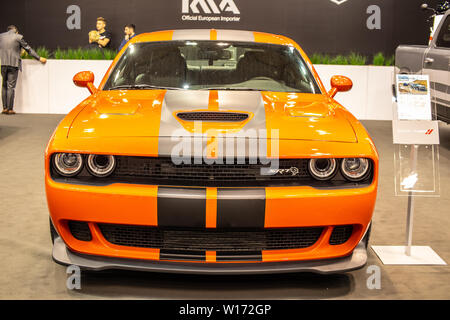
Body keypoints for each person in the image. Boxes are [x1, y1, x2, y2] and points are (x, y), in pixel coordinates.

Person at [0, 25, 46, 115]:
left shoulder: (1, 36)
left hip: (3, 64)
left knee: (4, 86)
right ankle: (10, 109)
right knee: (11, 87)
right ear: (16, 31)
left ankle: (4, 108)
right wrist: (39, 58)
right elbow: (28, 49)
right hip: (13, 65)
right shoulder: (18, 37)